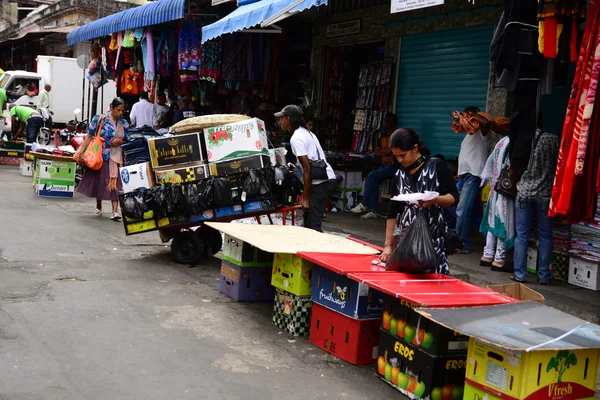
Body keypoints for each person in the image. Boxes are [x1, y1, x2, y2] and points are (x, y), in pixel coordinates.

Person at [380, 128, 459, 275]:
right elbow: (392, 212)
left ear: (415, 148)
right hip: (405, 239)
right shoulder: (399, 175)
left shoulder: (436, 166)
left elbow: (453, 198)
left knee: (432, 278)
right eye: (396, 157)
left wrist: (435, 199)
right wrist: (388, 246)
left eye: (403, 155)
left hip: (433, 236)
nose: (400, 160)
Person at [275, 104, 336, 232]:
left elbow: (307, 168)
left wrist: (305, 198)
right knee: (308, 224)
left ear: (288, 118)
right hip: (323, 178)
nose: (280, 121)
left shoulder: (296, 138)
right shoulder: (307, 133)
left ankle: (319, 250)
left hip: (321, 182)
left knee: (313, 226)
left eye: (282, 118)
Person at [512, 128, 560, 285]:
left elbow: (513, 164)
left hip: (525, 192)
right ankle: (544, 276)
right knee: (545, 236)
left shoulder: (523, 139)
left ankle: (520, 275)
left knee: (522, 235)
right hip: (545, 194)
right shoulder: (554, 140)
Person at [75, 98, 129, 221]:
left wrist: (119, 141)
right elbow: (89, 136)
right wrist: (81, 152)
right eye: (118, 110)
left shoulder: (124, 123)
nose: (120, 113)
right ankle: (98, 206)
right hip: (101, 155)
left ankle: (115, 211)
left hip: (116, 157)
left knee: (115, 182)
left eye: (122, 111)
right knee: (99, 181)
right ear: (111, 108)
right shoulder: (100, 119)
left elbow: (127, 139)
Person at [451, 106, 491, 254]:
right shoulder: (469, 133)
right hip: (465, 175)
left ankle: (461, 244)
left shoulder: (483, 132)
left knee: (462, 210)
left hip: (474, 175)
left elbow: (486, 123)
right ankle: (486, 236)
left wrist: (474, 116)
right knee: (466, 210)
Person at [350, 113, 399, 219]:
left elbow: (391, 151)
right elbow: (377, 152)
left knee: (372, 176)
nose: (385, 122)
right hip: (383, 164)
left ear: (393, 122)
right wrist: (384, 152)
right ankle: (372, 210)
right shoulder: (383, 136)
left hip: (393, 166)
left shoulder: (396, 136)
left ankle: (364, 204)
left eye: (388, 120)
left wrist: (385, 152)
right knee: (373, 180)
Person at [479, 136, 515, 271]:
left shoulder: (501, 141)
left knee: (492, 222)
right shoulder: (513, 142)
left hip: (495, 188)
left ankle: (487, 255)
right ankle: (499, 259)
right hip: (505, 189)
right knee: (503, 223)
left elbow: (491, 162)